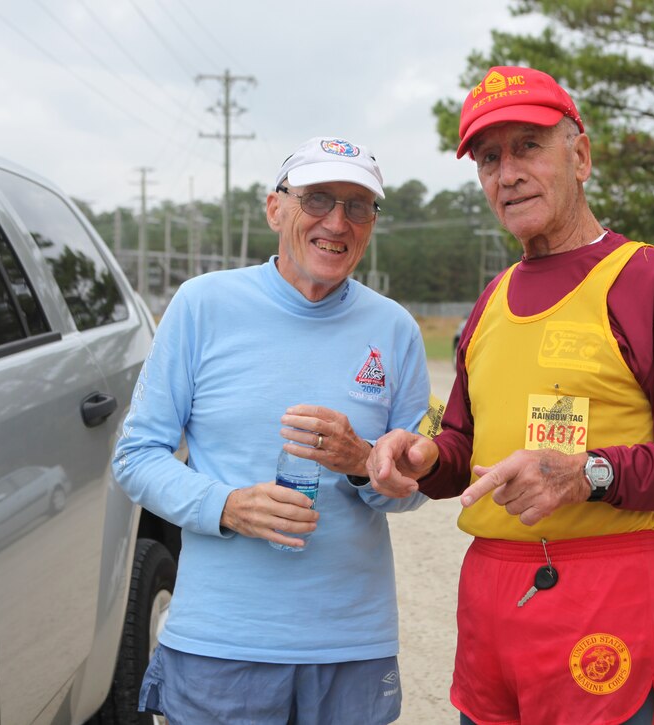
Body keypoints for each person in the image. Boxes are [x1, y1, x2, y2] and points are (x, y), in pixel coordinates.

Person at [367, 66, 654, 724]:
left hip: (601, 588)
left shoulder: (647, 279)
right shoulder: (492, 298)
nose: (507, 172)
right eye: (489, 158)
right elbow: (464, 443)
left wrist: (589, 473)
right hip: (491, 594)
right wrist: (425, 456)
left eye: (527, 146)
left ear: (580, 155)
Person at [113, 135, 431, 724]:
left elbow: (411, 489)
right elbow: (136, 455)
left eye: (358, 206)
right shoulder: (202, 305)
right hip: (220, 644)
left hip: (351, 647)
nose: (336, 222)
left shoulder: (395, 330)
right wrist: (228, 505)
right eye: (317, 199)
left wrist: (362, 461)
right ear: (275, 208)